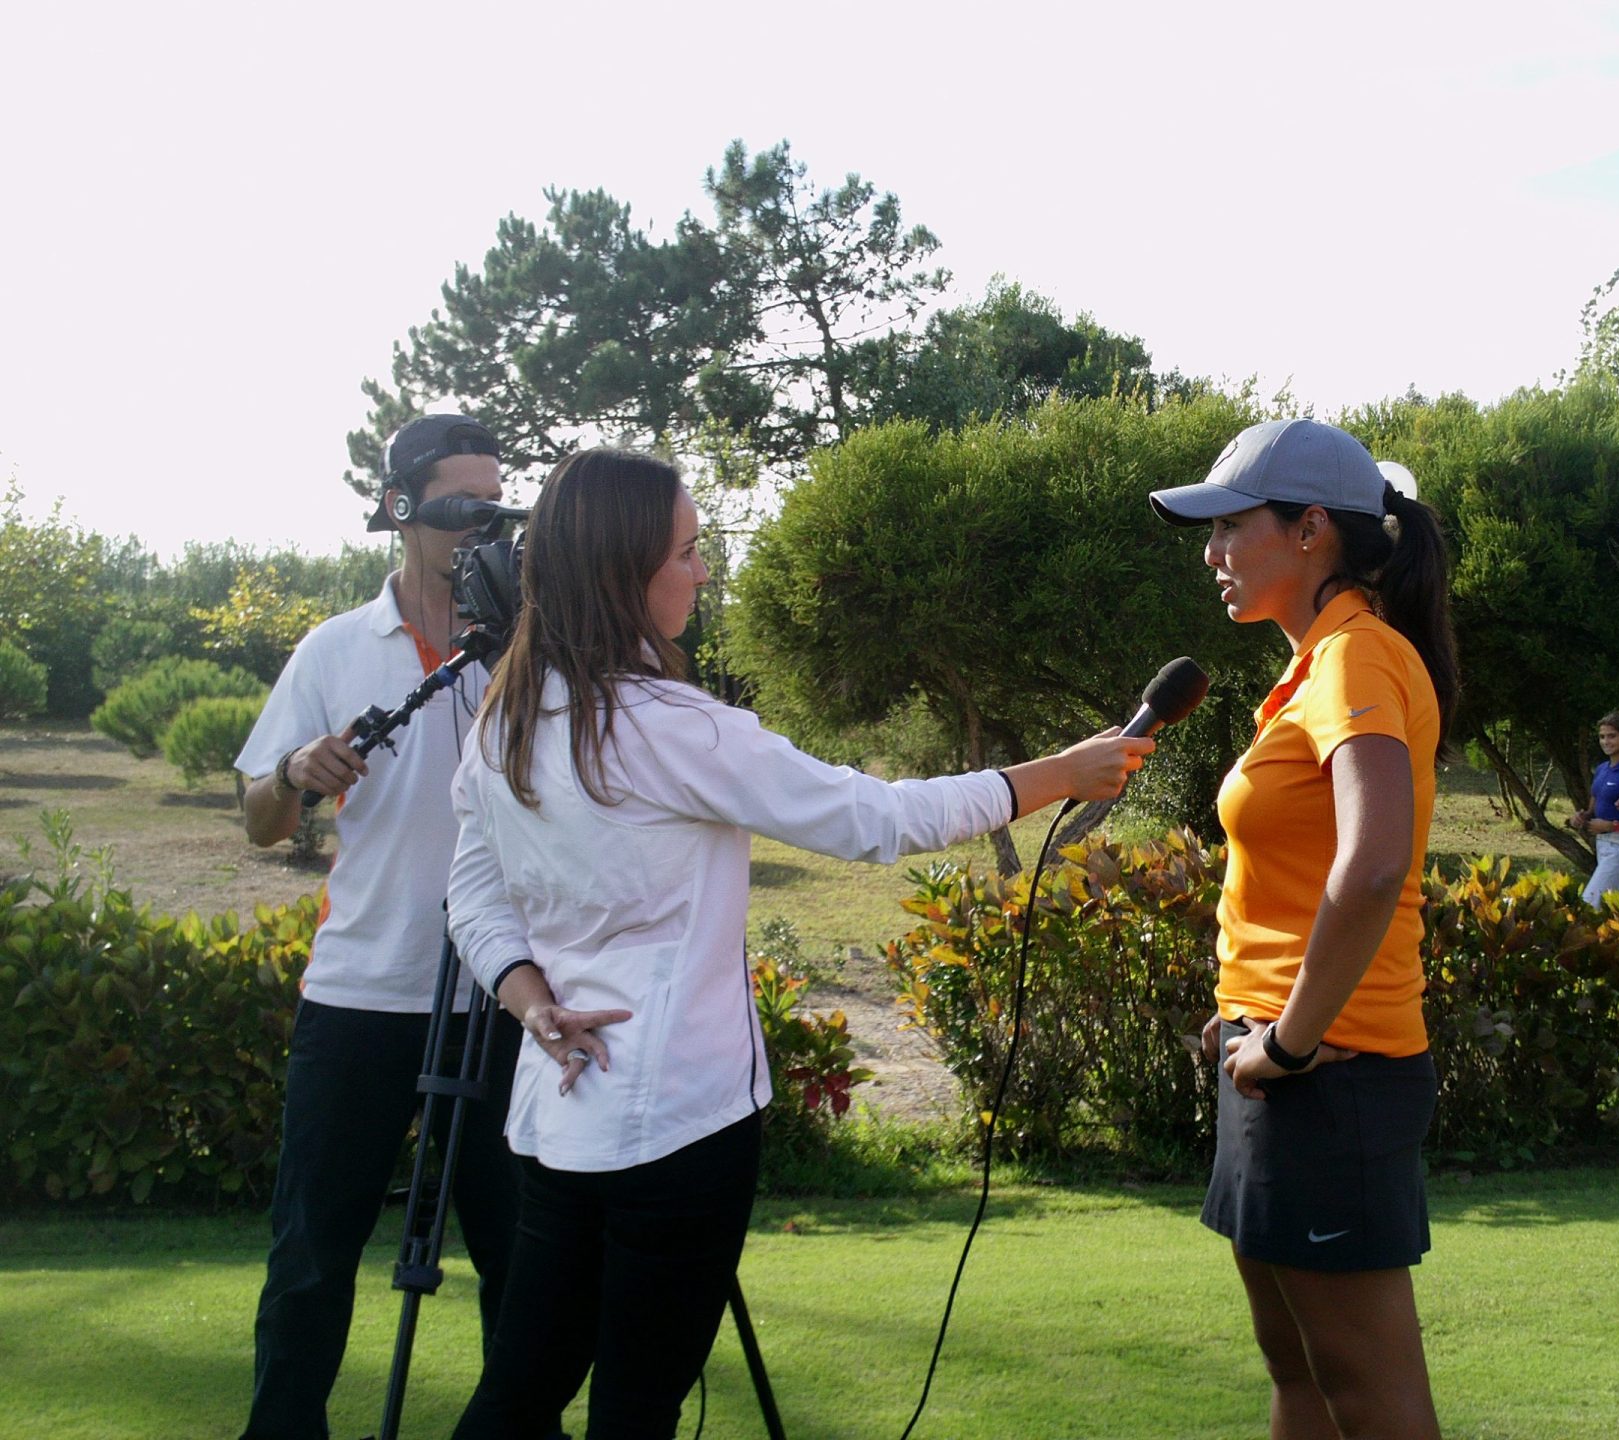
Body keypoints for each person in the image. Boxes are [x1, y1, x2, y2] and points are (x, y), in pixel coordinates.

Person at [442, 447, 1154, 1439]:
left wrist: (529, 1000)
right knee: (636, 1409)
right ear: (622, 568)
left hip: (557, 1122)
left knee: (516, 1398)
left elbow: (472, 899)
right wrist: (1059, 772)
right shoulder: (667, 726)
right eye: (686, 552)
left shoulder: (506, 720)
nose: (701, 572)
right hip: (679, 1124)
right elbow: (876, 818)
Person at [1149, 418, 1457, 1440]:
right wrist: (1247, 1014)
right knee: (1299, 1377)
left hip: (1334, 1069)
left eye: (1233, 527)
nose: (1213, 556)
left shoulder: (1359, 661)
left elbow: (1372, 865)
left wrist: (1289, 1035)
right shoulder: (1317, 668)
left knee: (1369, 1399)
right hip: (1281, 1059)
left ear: (1313, 528)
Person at [233, 415, 536, 1440]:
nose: (482, 527)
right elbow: (260, 823)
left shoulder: (537, 649)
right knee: (312, 1253)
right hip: (361, 995)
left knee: (520, 1253)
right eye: (462, 506)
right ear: (402, 512)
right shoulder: (331, 649)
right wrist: (290, 774)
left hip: (504, 995)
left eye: (498, 505)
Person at [1572, 711, 1619, 906]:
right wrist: (1581, 817)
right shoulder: (1602, 769)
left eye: (1612, 736)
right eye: (1602, 737)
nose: (1606, 742)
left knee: (1590, 901)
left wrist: (1611, 826)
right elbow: (1593, 808)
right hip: (1603, 844)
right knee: (1618, 906)